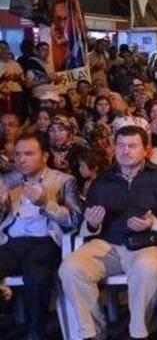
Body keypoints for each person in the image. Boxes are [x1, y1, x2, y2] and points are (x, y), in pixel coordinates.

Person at [59, 125, 157, 340]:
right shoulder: (102, 180)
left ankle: (138, 332)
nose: (125, 151)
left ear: (145, 150)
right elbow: (88, 224)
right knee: (70, 268)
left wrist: (151, 222)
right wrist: (92, 224)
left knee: (147, 268)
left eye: (132, 146)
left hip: (144, 243)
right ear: (114, 148)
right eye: (121, 146)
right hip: (107, 244)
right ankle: (94, 332)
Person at [0, 133, 81, 340]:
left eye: (28, 154)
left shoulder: (64, 180)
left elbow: (75, 220)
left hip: (45, 240)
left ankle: (35, 334)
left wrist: (46, 204)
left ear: (44, 156)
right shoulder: (7, 181)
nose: (21, 159)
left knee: (36, 275)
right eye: (18, 154)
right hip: (10, 241)